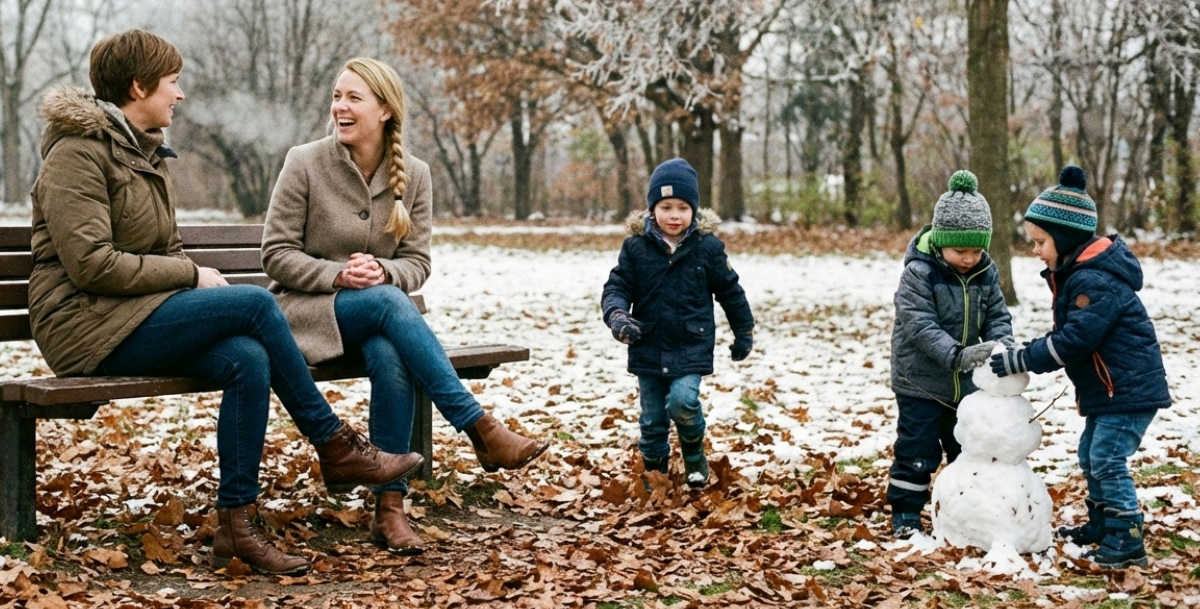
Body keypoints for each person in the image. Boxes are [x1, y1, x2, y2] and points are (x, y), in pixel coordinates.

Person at [27, 30, 423, 576]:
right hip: (84, 329)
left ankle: (237, 526)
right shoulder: (77, 154)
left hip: (131, 317)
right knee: (255, 306)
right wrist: (191, 275)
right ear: (139, 87)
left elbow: (160, 250)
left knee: (247, 357)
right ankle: (333, 443)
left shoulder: (144, 152)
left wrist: (184, 279)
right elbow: (92, 264)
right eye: (172, 82)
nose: (180, 94)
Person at [261, 57, 548, 555]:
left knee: (391, 353)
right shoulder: (304, 162)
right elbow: (276, 254)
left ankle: (389, 510)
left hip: (375, 317)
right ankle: (479, 427)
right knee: (391, 305)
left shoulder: (414, 175)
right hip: (307, 315)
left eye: (354, 98)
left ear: (385, 111)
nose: (340, 107)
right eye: (337, 96)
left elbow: (417, 261)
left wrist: (385, 271)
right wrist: (337, 274)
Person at [990, 165, 1171, 568]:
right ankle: (1103, 523)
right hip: (1110, 389)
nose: (1036, 250)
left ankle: (1126, 537)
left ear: (1066, 238)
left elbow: (1075, 340)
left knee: (1106, 457)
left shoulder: (1096, 280)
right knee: (1091, 454)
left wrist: (1024, 357)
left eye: (1041, 242)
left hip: (1128, 390)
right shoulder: (1079, 274)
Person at [600, 158, 755, 490]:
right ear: (652, 209)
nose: (674, 215)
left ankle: (694, 452)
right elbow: (617, 287)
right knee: (652, 420)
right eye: (666, 207)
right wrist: (617, 315)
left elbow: (730, 291)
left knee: (683, 403)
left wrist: (744, 331)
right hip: (648, 344)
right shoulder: (636, 247)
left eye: (683, 208)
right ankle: (655, 472)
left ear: (694, 211)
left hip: (690, 345)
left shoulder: (707, 248)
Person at [886, 170, 1014, 539]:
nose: (970, 258)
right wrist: (957, 355)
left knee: (967, 448)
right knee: (918, 450)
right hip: (920, 383)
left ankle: (966, 511)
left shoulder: (985, 272)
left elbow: (997, 315)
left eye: (976, 250)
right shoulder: (919, 273)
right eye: (961, 251)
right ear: (941, 242)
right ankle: (906, 512)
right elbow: (920, 325)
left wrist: (1002, 347)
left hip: (965, 385)